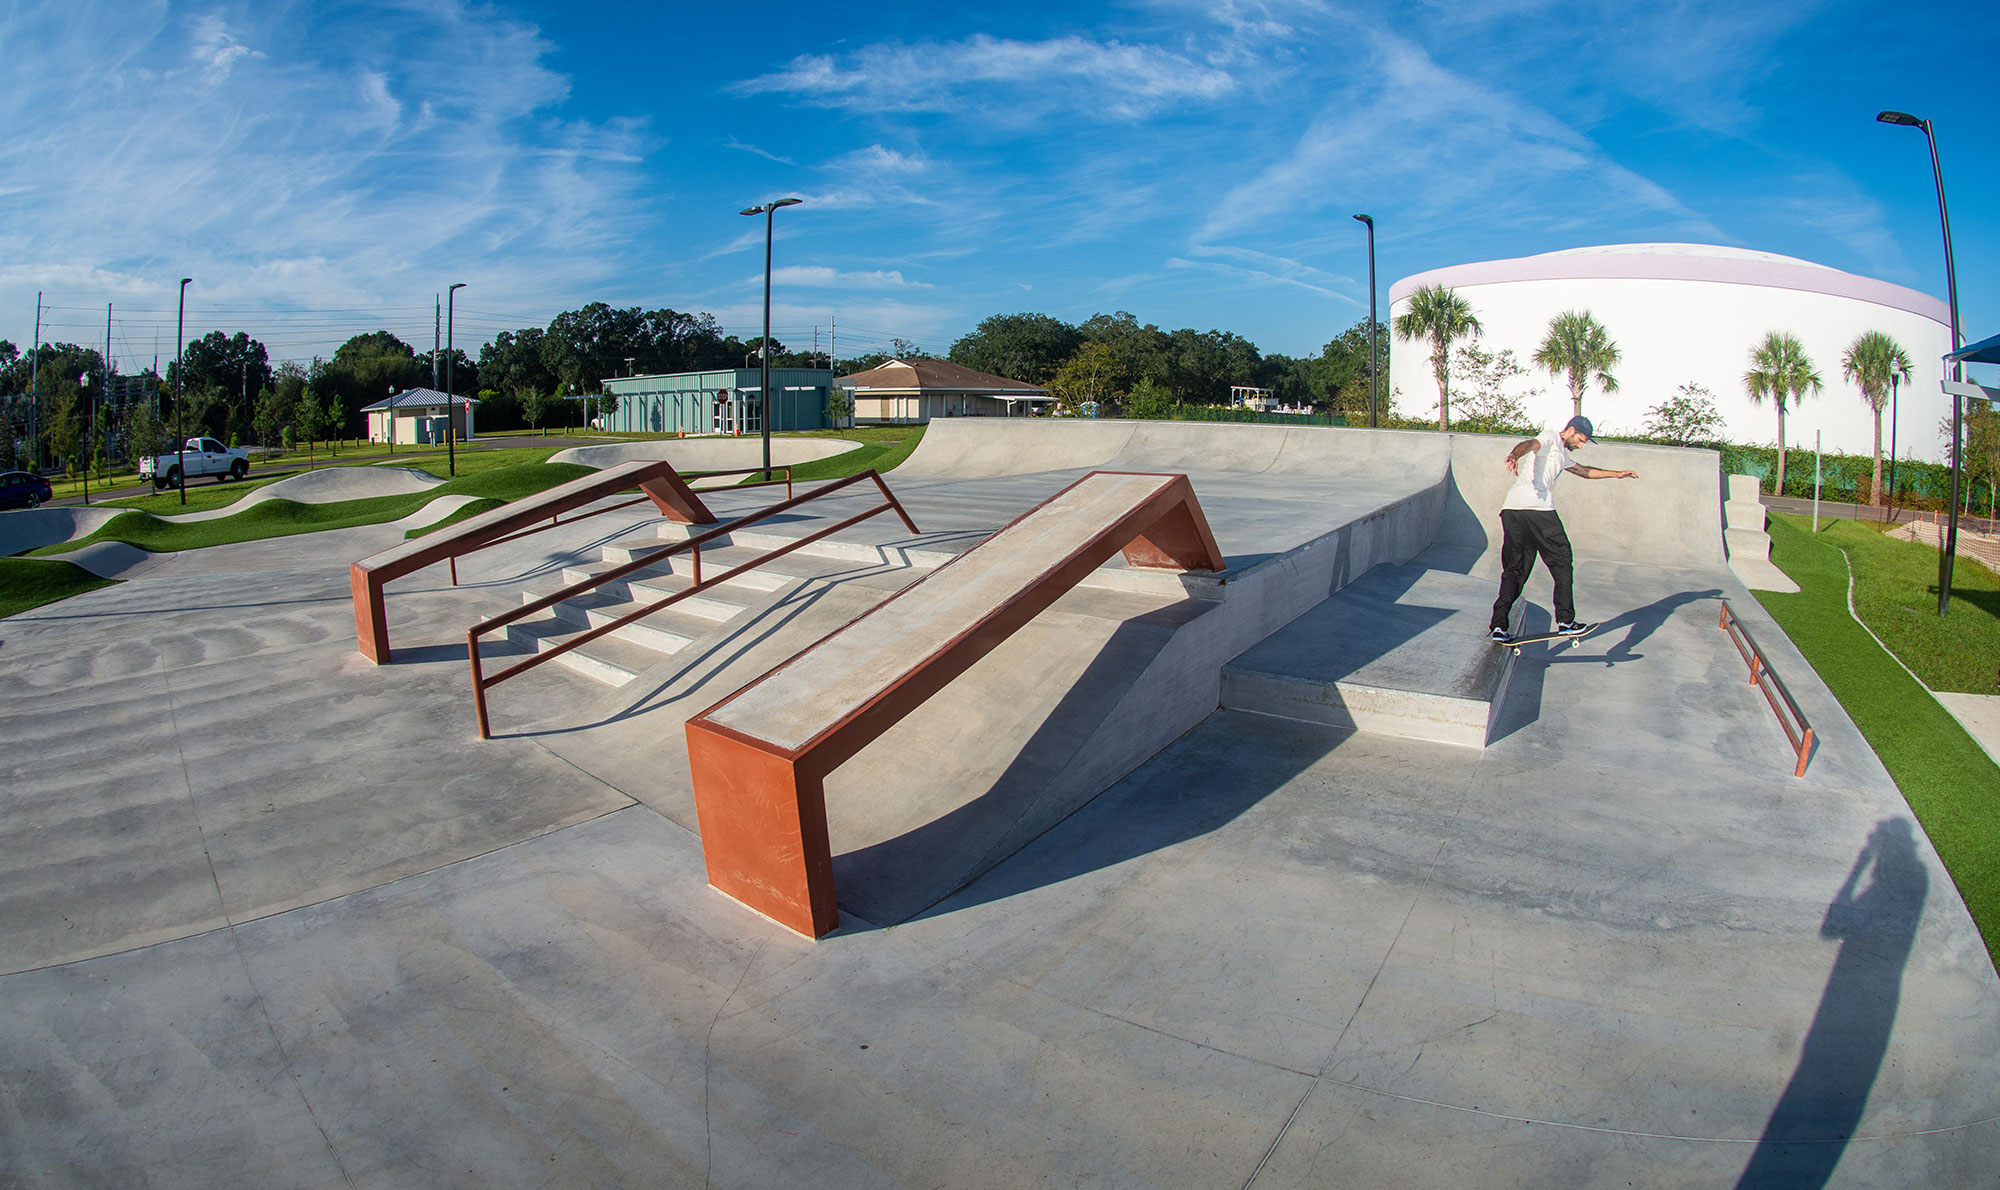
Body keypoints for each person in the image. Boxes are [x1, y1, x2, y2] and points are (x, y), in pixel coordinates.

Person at [1488, 414, 1637, 641]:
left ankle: (1499, 625)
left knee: (1515, 570)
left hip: (1512, 510)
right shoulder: (1549, 438)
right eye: (1580, 440)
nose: (1581, 445)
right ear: (1570, 430)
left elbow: (1585, 471)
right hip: (1538, 510)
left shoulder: (1561, 456)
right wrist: (1514, 454)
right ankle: (1566, 621)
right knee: (1562, 560)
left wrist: (1616, 474)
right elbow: (1530, 444)